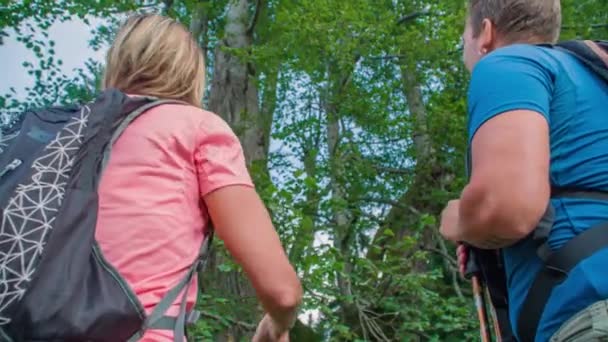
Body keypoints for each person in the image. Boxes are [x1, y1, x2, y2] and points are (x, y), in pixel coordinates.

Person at [97, 13, 302, 341]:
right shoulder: (196, 127)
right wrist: (276, 326)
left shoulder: (59, 138)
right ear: (190, 72)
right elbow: (283, 294)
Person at [439, 0, 608, 341]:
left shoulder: (509, 62)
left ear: (485, 33)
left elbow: (504, 208)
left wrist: (460, 219)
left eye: (463, 39)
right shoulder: (593, 75)